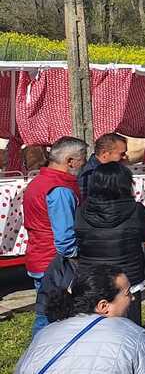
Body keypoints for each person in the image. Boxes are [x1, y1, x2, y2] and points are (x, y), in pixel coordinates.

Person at [16, 264, 145, 374]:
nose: (133, 298)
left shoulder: (45, 332)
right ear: (103, 306)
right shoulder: (133, 334)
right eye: (127, 293)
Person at [75, 162, 145, 325]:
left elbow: (79, 238)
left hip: (92, 277)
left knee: (95, 327)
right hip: (128, 278)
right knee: (130, 326)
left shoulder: (81, 211)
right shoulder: (136, 210)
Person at [23, 137, 89, 335]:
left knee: (49, 313)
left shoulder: (40, 181)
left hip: (41, 256)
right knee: (51, 317)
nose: (85, 163)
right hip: (54, 263)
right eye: (83, 158)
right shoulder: (59, 189)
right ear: (70, 161)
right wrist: (77, 258)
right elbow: (64, 238)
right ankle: (39, 356)